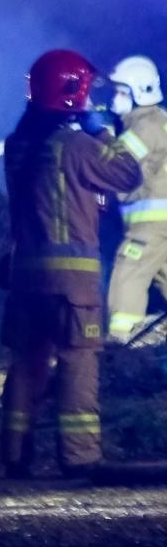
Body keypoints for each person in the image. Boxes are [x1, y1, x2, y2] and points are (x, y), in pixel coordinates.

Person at [1, 50, 144, 479]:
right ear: (73, 93)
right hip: (72, 282)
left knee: (27, 364)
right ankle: (79, 457)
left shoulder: (16, 145)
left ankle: (14, 454)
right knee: (78, 363)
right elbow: (128, 174)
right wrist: (101, 132)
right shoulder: (77, 146)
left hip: (26, 277)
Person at [105, 55, 167, 344]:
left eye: (121, 92)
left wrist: (97, 136)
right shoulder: (157, 121)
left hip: (149, 225)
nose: (115, 99)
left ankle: (121, 341)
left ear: (139, 92)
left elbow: (116, 164)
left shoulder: (144, 127)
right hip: (160, 225)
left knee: (128, 273)